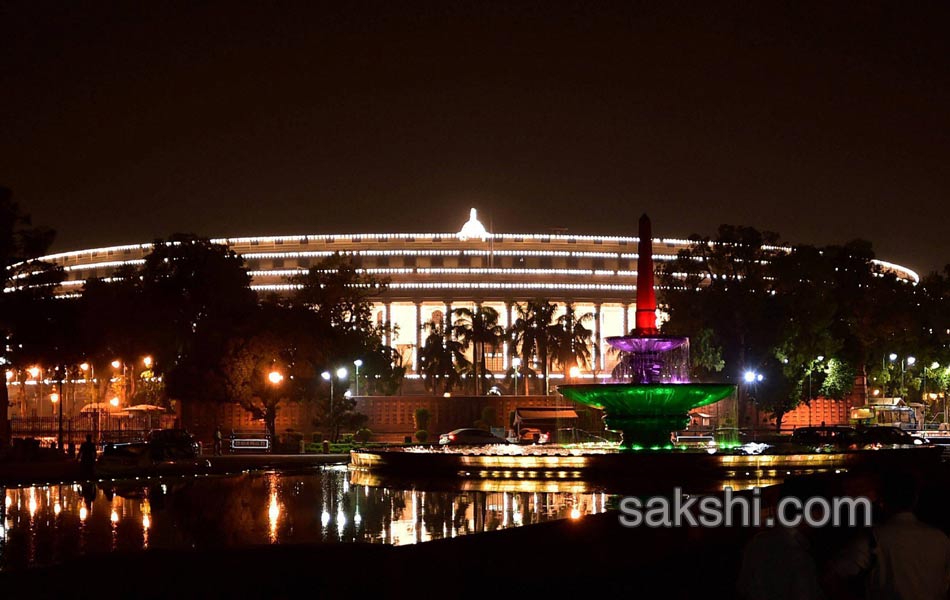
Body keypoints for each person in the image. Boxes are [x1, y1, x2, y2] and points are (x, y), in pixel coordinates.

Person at [825, 468, 950, 599]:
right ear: (915, 499)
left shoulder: (873, 538)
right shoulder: (941, 538)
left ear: (882, 500)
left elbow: (833, 574)